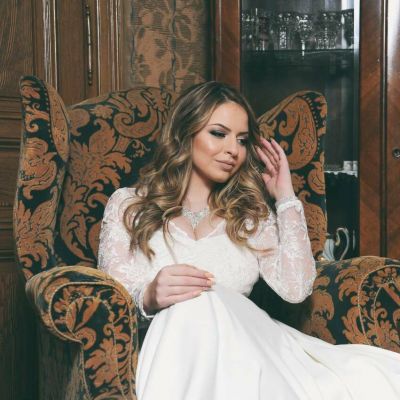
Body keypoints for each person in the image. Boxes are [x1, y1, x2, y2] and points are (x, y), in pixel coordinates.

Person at [98, 81, 400, 399]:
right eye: (219, 133)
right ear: (185, 133)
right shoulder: (129, 205)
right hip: (171, 355)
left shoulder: (250, 215)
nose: (234, 150)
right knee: (193, 304)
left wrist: (285, 197)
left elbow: (296, 289)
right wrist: (148, 297)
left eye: (242, 140)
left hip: (249, 347)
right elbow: (109, 301)